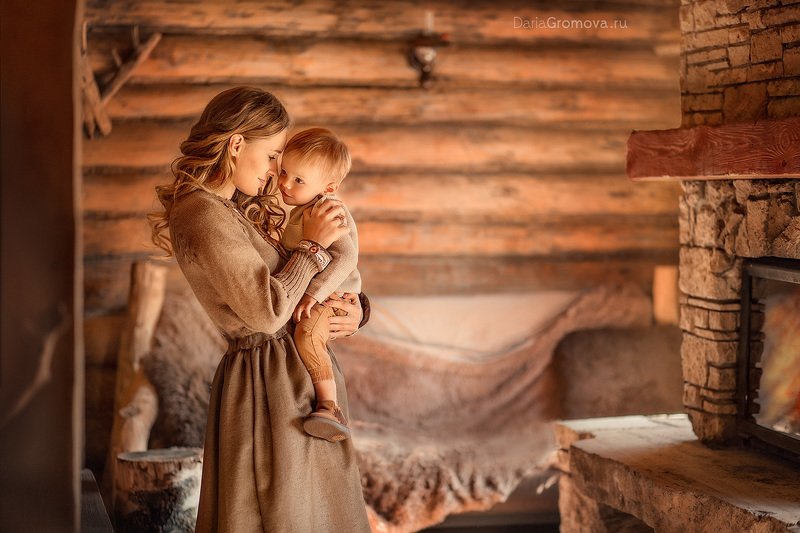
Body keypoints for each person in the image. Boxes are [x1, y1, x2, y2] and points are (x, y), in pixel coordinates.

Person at [148, 86, 371, 532]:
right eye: (271, 156)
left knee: (318, 513)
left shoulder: (241, 208)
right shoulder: (201, 214)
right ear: (235, 145)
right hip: (266, 385)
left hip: (296, 373)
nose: (275, 171)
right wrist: (312, 246)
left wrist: (355, 308)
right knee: (283, 515)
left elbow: (301, 275)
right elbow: (268, 312)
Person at [278, 128, 361, 443]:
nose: (285, 183)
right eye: (284, 172)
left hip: (334, 294)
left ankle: (329, 406)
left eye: (299, 180)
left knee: (308, 334)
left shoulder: (327, 210)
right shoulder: (302, 207)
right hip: (320, 292)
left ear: (328, 187)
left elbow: (347, 258)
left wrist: (314, 293)